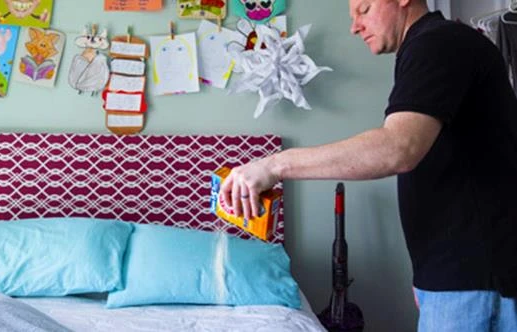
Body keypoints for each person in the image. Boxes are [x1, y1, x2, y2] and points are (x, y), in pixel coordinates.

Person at [219, 0, 517, 330]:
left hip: (475, 278)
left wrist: (275, 166)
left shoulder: (438, 44)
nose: (354, 26)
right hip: (458, 276)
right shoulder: (432, 45)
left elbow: (397, 148)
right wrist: (428, 277)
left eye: (364, 9)